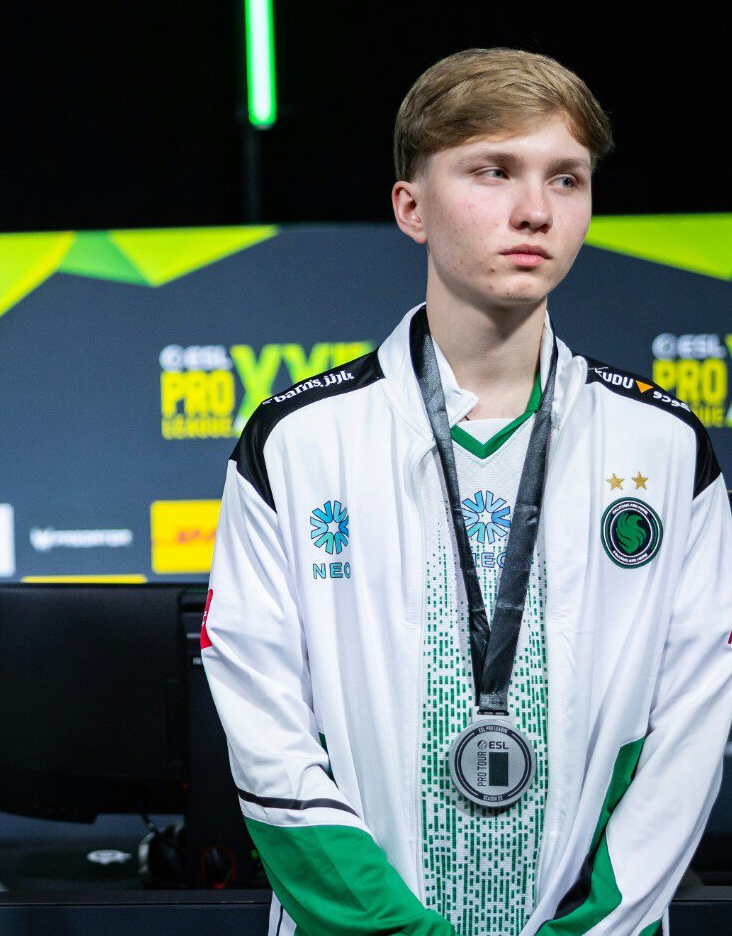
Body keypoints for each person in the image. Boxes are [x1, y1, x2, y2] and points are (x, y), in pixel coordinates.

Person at [203, 48, 732, 935]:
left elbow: (689, 734)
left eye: (565, 179)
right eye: (492, 171)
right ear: (410, 207)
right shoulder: (294, 441)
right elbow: (267, 737)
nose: (534, 210)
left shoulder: (664, 446)